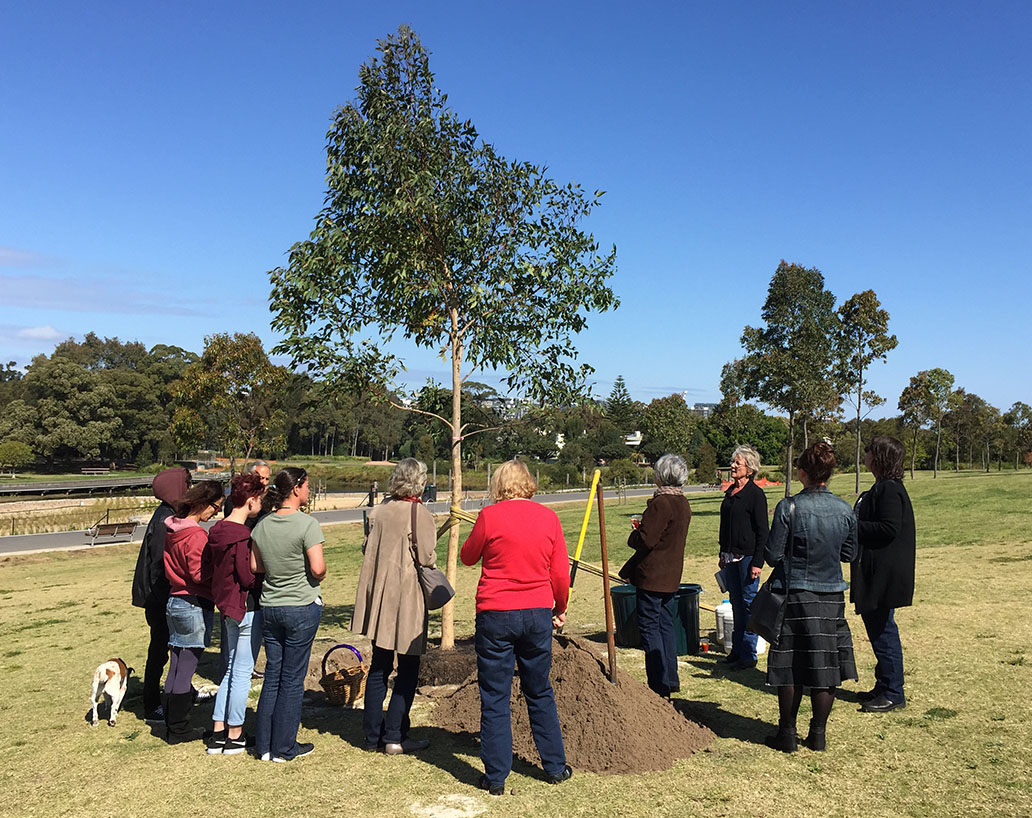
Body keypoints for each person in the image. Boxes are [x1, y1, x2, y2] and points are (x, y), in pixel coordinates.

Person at [460, 460, 572, 796]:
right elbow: (560, 573)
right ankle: (554, 767)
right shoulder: (548, 518)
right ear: (529, 484)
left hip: (496, 612)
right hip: (537, 612)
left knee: (495, 696)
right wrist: (560, 606)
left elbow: (468, 557)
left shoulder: (489, 517)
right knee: (539, 691)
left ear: (499, 486)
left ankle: (495, 777)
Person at [763, 442, 858, 753]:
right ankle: (818, 735)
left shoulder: (788, 507)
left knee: (789, 665)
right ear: (829, 474)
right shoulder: (846, 510)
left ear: (801, 472)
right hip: (831, 595)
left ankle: (787, 735)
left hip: (795, 594)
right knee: (825, 664)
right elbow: (849, 553)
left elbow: (773, 555)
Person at [351, 458, 437, 755]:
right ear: (420, 482)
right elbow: (427, 557)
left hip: (380, 598)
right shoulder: (419, 513)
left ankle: (372, 735)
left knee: (379, 665)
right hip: (407, 597)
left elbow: (367, 548)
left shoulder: (379, 511)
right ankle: (395, 736)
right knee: (409, 667)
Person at [250, 467, 325, 762]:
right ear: (296, 489)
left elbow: (256, 566)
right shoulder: (307, 524)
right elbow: (318, 569)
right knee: (293, 679)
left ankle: (265, 746)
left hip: (270, 606)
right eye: (307, 486)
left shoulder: (262, 525)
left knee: (273, 676)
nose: (309, 491)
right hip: (301, 606)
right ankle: (284, 747)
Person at [850, 435, 915, 713]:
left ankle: (893, 692)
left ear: (880, 458)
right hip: (876, 571)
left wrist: (853, 526)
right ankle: (884, 684)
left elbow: (889, 528)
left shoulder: (889, 490)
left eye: (869, 452)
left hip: (884, 574)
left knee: (883, 630)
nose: (865, 455)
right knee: (879, 627)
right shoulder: (882, 487)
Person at [621, 454, 692, 697]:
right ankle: (670, 678)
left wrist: (636, 533)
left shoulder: (661, 503)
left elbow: (647, 540)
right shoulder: (683, 503)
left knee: (650, 629)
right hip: (671, 575)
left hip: (653, 576)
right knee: (665, 627)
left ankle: (659, 686)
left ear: (661, 476)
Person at [205, 472, 264, 754]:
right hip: (245, 608)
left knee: (230, 669)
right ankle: (236, 733)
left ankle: (218, 731)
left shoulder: (215, 532)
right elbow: (247, 576)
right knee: (242, 673)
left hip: (224, 607)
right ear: (251, 501)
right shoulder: (243, 536)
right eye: (260, 498)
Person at [162, 479, 224, 743]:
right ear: (203, 503)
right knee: (187, 666)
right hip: (193, 602)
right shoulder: (196, 534)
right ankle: (179, 729)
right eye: (216, 507)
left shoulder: (172, 529)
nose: (216, 512)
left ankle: (171, 721)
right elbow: (198, 573)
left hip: (175, 599)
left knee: (176, 664)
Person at [131, 466, 189, 723]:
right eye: (186, 485)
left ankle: (179, 690)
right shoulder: (165, 519)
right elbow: (158, 565)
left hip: (160, 595)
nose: (188, 490)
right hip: (159, 597)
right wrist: (169, 596)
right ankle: (152, 703)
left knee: (171, 646)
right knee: (159, 649)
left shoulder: (167, 514)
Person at [718, 445, 769, 671]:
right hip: (730, 558)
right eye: (733, 462)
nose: (733, 466)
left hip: (748, 559)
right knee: (736, 605)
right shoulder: (729, 493)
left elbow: (763, 532)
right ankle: (736, 651)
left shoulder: (756, 495)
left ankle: (748, 655)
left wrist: (758, 562)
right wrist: (722, 552)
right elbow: (724, 527)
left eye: (737, 463)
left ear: (749, 468)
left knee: (748, 606)